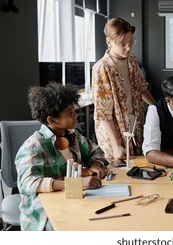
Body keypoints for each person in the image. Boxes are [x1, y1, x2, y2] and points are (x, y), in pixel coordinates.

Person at [15, 83, 109, 231]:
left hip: (72, 202)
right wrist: (76, 184)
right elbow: (29, 183)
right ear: (52, 120)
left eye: (74, 111)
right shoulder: (33, 146)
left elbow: (96, 152)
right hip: (43, 215)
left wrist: (96, 165)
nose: (75, 115)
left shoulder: (72, 135)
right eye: (70, 113)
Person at [92, 17, 155, 162]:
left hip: (135, 124)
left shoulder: (131, 60)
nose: (128, 48)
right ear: (109, 42)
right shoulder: (102, 68)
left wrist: (158, 108)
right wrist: (115, 145)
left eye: (131, 42)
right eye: (122, 44)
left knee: (138, 166)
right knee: (120, 171)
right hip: (114, 131)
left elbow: (141, 88)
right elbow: (103, 113)